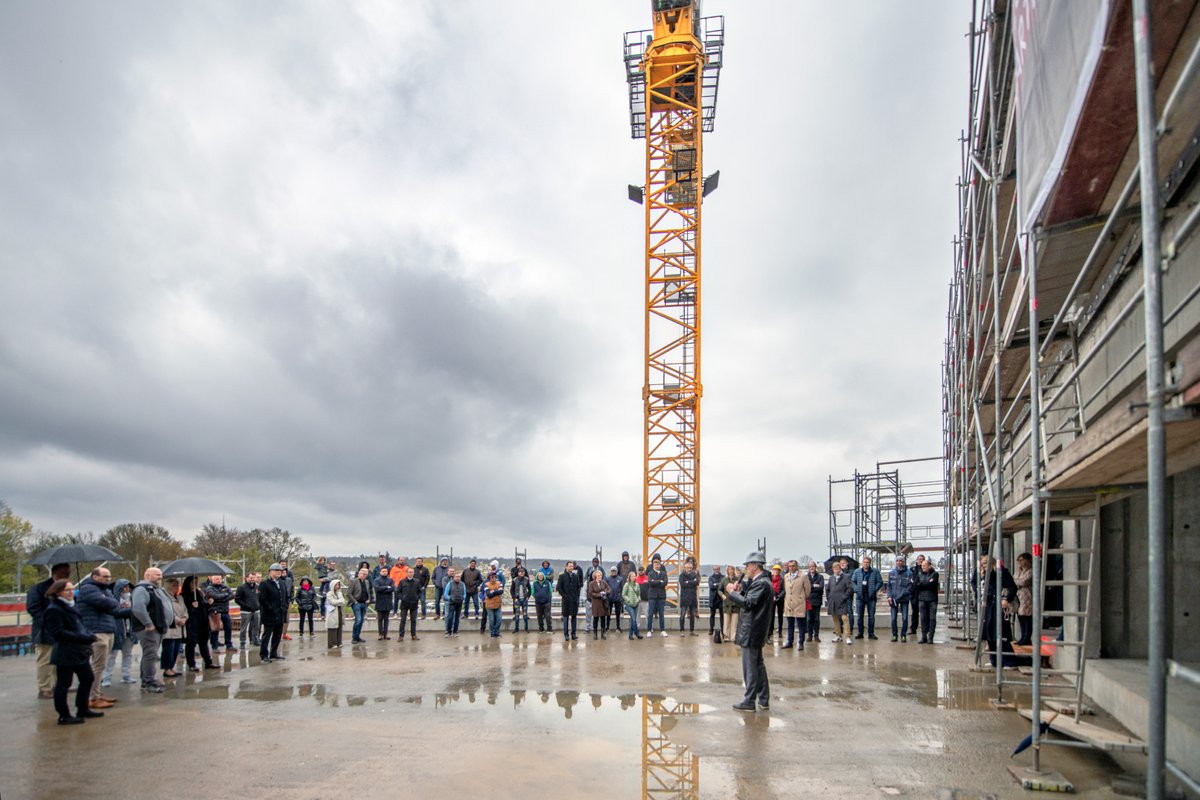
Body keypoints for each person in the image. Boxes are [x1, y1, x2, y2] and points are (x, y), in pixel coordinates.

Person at [42, 580, 105, 725]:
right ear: (58, 592)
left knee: (87, 678)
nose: (71, 593)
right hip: (66, 652)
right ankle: (63, 715)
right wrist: (85, 637)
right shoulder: (54, 609)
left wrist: (88, 635)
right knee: (64, 684)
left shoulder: (70, 606)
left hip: (79, 651)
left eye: (72, 590)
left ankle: (82, 708)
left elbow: (79, 626)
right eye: (67, 590)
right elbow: (58, 633)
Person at [75, 565, 126, 709]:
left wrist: (112, 602)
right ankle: (93, 697)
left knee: (101, 665)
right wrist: (112, 602)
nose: (108, 579)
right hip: (96, 632)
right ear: (95, 577)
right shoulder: (88, 589)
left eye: (109, 577)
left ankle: (96, 693)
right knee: (97, 666)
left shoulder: (105, 590)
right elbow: (107, 603)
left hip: (107, 630)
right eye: (105, 577)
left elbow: (114, 606)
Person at [727, 552, 773, 712]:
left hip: (752, 630)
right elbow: (751, 600)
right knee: (758, 665)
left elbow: (748, 603)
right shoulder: (762, 582)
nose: (746, 568)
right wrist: (740, 592)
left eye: (747, 565)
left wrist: (732, 593)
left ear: (755, 565)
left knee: (750, 667)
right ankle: (763, 699)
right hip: (756, 629)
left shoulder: (761, 583)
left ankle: (749, 700)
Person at [26, 562, 70, 699]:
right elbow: (33, 608)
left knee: (60, 659)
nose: (67, 574)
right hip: (45, 631)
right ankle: (44, 687)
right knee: (45, 660)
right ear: (55, 573)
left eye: (68, 572)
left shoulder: (67, 588)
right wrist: (49, 620)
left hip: (62, 630)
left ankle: (58, 685)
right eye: (64, 572)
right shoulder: (39, 588)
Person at [131, 567, 172, 692]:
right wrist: (148, 624)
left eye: (161, 574)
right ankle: (148, 683)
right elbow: (138, 608)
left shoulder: (155, 589)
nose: (160, 577)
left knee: (150, 654)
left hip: (158, 627)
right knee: (150, 655)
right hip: (149, 629)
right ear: (147, 575)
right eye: (157, 575)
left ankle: (147, 679)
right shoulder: (141, 589)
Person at [980, 555, 1017, 660]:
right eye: (982, 564)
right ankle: (994, 660)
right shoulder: (986, 575)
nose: (983, 566)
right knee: (989, 633)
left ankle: (1009, 661)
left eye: (985, 564)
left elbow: (1012, 587)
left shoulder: (1002, 572)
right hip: (989, 605)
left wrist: (1006, 599)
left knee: (1000, 632)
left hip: (999, 605)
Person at [101, 579, 137, 687]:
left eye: (128, 587)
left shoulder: (132, 599)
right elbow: (114, 613)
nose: (127, 589)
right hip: (117, 631)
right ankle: (106, 677)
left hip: (130, 631)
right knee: (112, 656)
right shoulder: (112, 600)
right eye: (124, 587)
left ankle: (126, 675)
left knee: (128, 654)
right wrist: (128, 610)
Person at [181, 576, 218, 672]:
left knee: (204, 642)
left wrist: (209, 603)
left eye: (196, 582)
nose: (195, 584)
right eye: (193, 583)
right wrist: (192, 606)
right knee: (191, 644)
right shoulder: (184, 595)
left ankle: (208, 662)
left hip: (202, 622)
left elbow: (204, 607)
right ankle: (191, 664)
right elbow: (183, 609)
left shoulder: (199, 593)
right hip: (192, 622)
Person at [259, 563, 289, 661]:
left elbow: (285, 597)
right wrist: (271, 608)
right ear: (270, 572)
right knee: (267, 635)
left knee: (277, 635)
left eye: (279, 571)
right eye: (276, 571)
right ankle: (264, 655)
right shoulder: (264, 584)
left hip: (280, 613)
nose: (278, 572)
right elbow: (262, 599)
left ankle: (274, 653)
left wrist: (284, 608)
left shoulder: (282, 583)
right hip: (269, 614)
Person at [782, 560, 811, 650]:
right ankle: (789, 642)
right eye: (790, 566)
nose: (791, 568)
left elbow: (807, 590)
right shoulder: (786, 576)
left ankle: (801, 643)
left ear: (796, 566)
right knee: (790, 624)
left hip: (799, 603)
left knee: (801, 624)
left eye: (793, 566)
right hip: (788, 603)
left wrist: (801, 597)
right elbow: (785, 589)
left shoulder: (803, 576)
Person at [851, 556, 882, 640]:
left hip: (871, 597)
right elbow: (853, 582)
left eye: (867, 562)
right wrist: (857, 589)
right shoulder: (857, 572)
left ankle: (871, 633)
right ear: (862, 563)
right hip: (860, 597)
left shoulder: (875, 572)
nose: (865, 564)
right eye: (864, 562)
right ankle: (860, 633)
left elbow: (880, 582)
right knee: (859, 616)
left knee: (871, 616)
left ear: (870, 563)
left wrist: (874, 590)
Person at [162, 578, 187, 678]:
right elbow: (166, 612)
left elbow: (185, 610)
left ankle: (171, 667)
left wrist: (185, 618)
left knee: (176, 649)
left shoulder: (180, 598)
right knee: (169, 648)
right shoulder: (164, 598)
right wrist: (177, 620)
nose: (177, 587)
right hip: (170, 627)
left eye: (177, 585)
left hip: (180, 628)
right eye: (174, 585)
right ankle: (166, 669)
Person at [204, 574, 236, 652]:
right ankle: (214, 646)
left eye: (220, 579)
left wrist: (222, 597)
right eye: (217, 579)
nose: (219, 580)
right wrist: (225, 595)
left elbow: (232, 595)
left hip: (225, 610)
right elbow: (215, 596)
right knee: (215, 629)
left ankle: (229, 645)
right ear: (212, 579)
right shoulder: (209, 588)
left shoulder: (225, 586)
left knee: (228, 628)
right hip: (215, 611)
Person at [825, 560, 853, 644]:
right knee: (835, 619)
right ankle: (838, 635)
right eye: (834, 569)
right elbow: (828, 589)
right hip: (833, 601)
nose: (836, 570)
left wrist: (844, 597)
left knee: (845, 618)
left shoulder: (846, 577)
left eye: (838, 568)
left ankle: (847, 636)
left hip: (842, 601)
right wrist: (829, 598)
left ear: (840, 569)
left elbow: (850, 588)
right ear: (833, 569)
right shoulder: (831, 578)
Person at [913, 557, 940, 644]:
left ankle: (930, 637)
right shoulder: (919, 574)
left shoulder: (935, 574)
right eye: (922, 566)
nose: (923, 567)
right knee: (923, 618)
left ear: (929, 566)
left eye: (925, 565)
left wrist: (921, 584)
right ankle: (924, 636)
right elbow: (915, 585)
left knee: (932, 618)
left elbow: (932, 585)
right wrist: (924, 584)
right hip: (922, 599)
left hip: (932, 599)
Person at [887, 557, 913, 642]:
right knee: (893, 618)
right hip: (894, 599)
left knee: (905, 618)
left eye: (900, 561)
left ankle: (903, 635)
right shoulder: (891, 573)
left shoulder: (909, 573)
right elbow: (889, 586)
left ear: (903, 562)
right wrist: (889, 596)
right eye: (897, 561)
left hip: (904, 599)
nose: (899, 562)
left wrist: (903, 594)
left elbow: (910, 586)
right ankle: (894, 635)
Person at [555, 560, 583, 641]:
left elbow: (578, 587)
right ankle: (566, 634)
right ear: (566, 567)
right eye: (569, 566)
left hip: (574, 600)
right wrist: (564, 595)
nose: (571, 567)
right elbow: (558, 588)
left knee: (574, 618)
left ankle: (573, 634)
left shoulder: (575, 576)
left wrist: (576, 596)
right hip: (566, 601)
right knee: (566, 618)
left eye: (572, 566)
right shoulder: (562, 576)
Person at [345, 567, 373, 644]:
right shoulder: (353, 581)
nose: (364, 575)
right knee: (358, 620)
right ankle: (354, 637)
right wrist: (355, 601)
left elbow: (368, 592)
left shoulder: (367, 582)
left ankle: (358, 636)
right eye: (363, 574)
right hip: (357, 604)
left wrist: (368, 599)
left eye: (366, 574)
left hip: (365, 604)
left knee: (361, 621)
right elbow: (348, 593)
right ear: (359, 573)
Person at [645, 554, 669, 637]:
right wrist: (660, 581)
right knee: (650, 613)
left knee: (661, 614)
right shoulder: (650, 573)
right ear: (653, 565)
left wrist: (656, 581)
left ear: (660, 565)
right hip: (652, 596)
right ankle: (649, 630)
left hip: (661, 596)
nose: (657, 566)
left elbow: (665, 582)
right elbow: (650, 582)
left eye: (658, 564)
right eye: (655, 564)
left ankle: (662, 630)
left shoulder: (663, 573)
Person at [235, 572, 261, 649]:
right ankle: (242, 641)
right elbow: (237, 599)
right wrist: (246, 606)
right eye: (250, 577)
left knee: (256, 626)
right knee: (244, 627)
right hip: (245, 611)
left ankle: (255, 639)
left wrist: (258, 605)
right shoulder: (241, 587)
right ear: (246, 578)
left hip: (256, 610)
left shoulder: (258, 587)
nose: (252, 579)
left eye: (253, 577)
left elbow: (260, 597)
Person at [397, 568, 422, 640]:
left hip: (414, 603)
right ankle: (401, 636)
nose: (411, 573)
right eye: (409, 572)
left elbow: (420, 591)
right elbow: (398, 592)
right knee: (403, 620)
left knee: (413, 620)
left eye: (412, 572)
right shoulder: (402, 582)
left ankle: (413, 635)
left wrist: (417, 598)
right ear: (406, 573)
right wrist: (402, 598)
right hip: (404, 603)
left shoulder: (417, 581)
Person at [1015, 553, 1033, 646]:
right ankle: (1023, 636)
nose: (1020, 562)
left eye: (1022, 560)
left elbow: (1024, 581)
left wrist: (1017, 582)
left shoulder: (1030, 571)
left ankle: (1027, 637)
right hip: (1019, 596)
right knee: (1020, 617)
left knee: (1027, 616)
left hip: (1027, 596)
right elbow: (1014, 580)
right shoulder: (1019, 571)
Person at [677, 558, 700, 635]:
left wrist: (688, 582)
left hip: (693, 598)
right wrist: (691, 582)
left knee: (692, 615)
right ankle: (682, 631)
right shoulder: (681, 575)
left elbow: (696, 582)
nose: (689, 569)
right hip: (684, 598)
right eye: (687, 568)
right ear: (685, 567)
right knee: (682, 615)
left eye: (690, 568)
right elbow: (682, 584)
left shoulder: (695, 574)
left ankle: (692, 631)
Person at [587, 569, 610, 640]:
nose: (600, 577)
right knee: (596, 619)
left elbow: (609, 589)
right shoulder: (592, 583)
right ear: (595, 576)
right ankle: (595, 634)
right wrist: (599, 595)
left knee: (603, 619)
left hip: (603, 603)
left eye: (601, 575)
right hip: (596, 604)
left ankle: (603, 634)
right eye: (599, 576)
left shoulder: (604, 582)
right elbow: (590, 593)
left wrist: (605, 592)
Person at [372, 570, 395, 640]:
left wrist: (383, 589)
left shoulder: (390, 580)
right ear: (380, 572)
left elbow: (393, 588)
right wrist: (386, 587)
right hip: (380, 602)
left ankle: (385, 633)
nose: (384, 572)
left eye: (386, 571)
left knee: (386, 619)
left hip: (388, 601)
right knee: (380, 619)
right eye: (383, 571)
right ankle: (380, 634)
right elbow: (377, 588)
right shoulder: (377, 580)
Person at [443, 569, 466, 636]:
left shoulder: (462, 584)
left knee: (457, 618)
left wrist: (463, 597)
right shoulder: (449, 584)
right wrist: (450, 598)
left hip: (459, 603)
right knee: (450, 617)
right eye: (456, 577)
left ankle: (455, 631)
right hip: (452, 603)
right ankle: (448, 631)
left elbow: (464, 593)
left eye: (459, 577)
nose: (458, 578)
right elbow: (445, 594)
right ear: (454, 577)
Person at [806, 561, 825, 642]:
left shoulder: (820, 576)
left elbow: (821, 588)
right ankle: (810, 635)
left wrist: (812, 587)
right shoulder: (806, 577)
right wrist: (814, 586)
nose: (812, 568)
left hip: (817, 601)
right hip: (809, 601)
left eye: (813, 566)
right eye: (810, 567)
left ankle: (816, 635)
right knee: (809, 619)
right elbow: (806, 588)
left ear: (815, 567)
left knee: (816, 619)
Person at [621, 571, 643, 640]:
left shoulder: (637, 585)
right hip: (629, 605)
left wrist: (638, 599)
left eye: (634, 576)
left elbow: (639, 594)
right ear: (629, 577)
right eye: (632, 576)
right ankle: (637, 633)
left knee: (633, 620)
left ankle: (630, 635)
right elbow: (623, 594)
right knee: (633, 619)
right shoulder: (626, 584)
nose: (634, 577)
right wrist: (628, 600)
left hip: (636, 604)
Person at [721, 565, 740, 643]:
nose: (730, 571)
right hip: (727, 603)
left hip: (735, 603)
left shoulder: (738, 579)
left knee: (734, 621)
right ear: (727, 571)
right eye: (729, 569)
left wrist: (739, 589)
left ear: (734, 570)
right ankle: (726, 636)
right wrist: (722, 596)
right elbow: (719, 589)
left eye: (732, 569)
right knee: (726, 621)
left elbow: (741, 590)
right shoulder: (724, 580)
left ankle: (733, 637)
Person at [277, 560, 296, 640]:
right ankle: (278, 634)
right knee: (279, 618)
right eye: (282, 572)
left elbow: (292, 590)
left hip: (288, 602)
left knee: (286, 619)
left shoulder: (289, 580)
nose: (283, 573)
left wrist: (291, 599)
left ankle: (284, 634)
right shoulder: (277, 581)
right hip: (279, 602)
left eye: (285, 572)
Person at [325, 578, 346, 648]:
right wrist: (339, 601)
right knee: (332, 627)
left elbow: (343, 601)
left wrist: (338, 602)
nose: (337, 586)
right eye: (336, 585)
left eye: (338, 585)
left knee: (339, 626)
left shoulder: (339, 593)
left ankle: (339, 642)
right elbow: (332, 602)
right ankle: (332, 643)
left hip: (339, 611)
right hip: (332, 612)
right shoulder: (329, 594)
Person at [767, 563, 785, 641]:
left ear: (779, 571)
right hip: (772, 598)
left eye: (777, 570)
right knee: (771, 615)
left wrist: (778, 596)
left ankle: (780, 631)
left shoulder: (782, 579)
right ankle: (770, 631)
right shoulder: (769, 578)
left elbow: (784, 590)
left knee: (780, 615)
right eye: (774, 570)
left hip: (779, 598)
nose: (775, 571)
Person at [484, 572, 505, 638]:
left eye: (495, 576)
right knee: (491, 620)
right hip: (489, 606)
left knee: (499, 619)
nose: (494, 578)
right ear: (489, 577)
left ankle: (496, 631)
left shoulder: (499, 583)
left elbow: (501, 591)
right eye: (492, 577)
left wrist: (493, 591)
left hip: (498, 604)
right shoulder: (486, 584)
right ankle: (492, 633)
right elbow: (489, 595)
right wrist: (497, 591)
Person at [909, 555, 926, 635]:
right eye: (919, 559)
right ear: (916, 560)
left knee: (924, 613)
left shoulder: (926, 570)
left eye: (922, 559)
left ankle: (925, 630)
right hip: (914, 594)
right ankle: (913, 629)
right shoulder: (912, 569)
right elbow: (911, 581)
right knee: (914, 612)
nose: (921, 561)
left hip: (923, 593)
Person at [511, 567, 531, 633]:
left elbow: (530, 589)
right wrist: (514, 598)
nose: (521, 573)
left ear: (524, 573)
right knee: (517, 616)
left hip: (524, 600)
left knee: (525, 615)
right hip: (517, 600)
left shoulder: (527, 579)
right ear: (518, 573)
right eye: (520, 572)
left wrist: (528, 596)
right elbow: (512, 590)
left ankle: (526, 629)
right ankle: (516, 629)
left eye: (523, 572)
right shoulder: (514, 580)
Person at [605, 567, 624, 633]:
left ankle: (618, 627)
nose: (613, 572)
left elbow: (622, 589)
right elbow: (605, 588)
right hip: (609, 599)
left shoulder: (620, 579)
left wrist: (621, 597)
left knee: (618, 614)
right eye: (612, 571)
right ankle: (607, 627)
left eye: (615, 571)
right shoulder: (607, 579)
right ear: (611, 571)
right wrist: (606, 596)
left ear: (617, 571)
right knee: (608, 614)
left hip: (617, 599)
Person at [707, 564, 724, 636]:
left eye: (717, 569)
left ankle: (723, 630)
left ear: (719, 569)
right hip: (713, 599)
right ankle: (711, 629)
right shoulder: (710, 577)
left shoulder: (723, 577)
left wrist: (715, 584)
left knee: (722, 615)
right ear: (713, 570)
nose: (716, 570)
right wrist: (719, 585)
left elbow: (723, 586)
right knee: (712, 615)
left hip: (721, 598)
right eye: (715, 569)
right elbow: (711, 586)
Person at [841, 557, 856, 632]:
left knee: (850, 611)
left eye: (844, 563)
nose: (842, 564)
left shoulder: (852, 572)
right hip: (840, 595)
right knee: (840, 611)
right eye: (841, 563)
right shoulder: (839, 572)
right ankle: (840, 628)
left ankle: (851, 628)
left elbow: (852, 583)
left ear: (847, 563)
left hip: (849, 594)